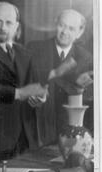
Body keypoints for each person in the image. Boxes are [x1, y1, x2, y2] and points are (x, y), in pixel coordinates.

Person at [0, 2, 47, 161]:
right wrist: (20, 93)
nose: (3, 27)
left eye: (9, 23)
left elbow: (35, 87)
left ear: (16, 26)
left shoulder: (25, 54)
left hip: (25, 138)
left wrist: (40, 98)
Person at [27, 9, 93, 146]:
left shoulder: (86, 58)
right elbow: (23, 82)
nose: (64, 32)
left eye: (71, 28)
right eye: (62, 25)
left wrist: (80, 88)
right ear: (55, 24)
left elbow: (89, 97)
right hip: (39, 128)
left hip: (70, 132)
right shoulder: (34, 48)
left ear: (79, 33)